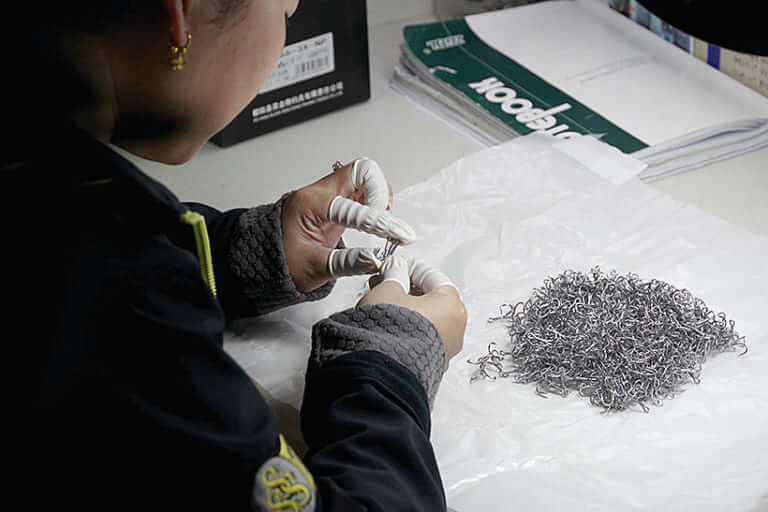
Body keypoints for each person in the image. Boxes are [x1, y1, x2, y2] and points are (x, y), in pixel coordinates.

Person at [7, 1, 467, 511]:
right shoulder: (116, 295)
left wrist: (246, 253)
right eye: (285, 11)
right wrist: (387, 371)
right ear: (180, 16)